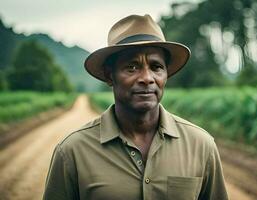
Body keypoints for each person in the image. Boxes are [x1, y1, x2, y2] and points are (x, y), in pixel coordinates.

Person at [43, 14, 228, 200]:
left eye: (156, 67)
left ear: (166, 75)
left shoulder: (201, 145)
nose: (147, 78)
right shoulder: (72, 152)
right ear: (109, 76)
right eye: (132, 67)